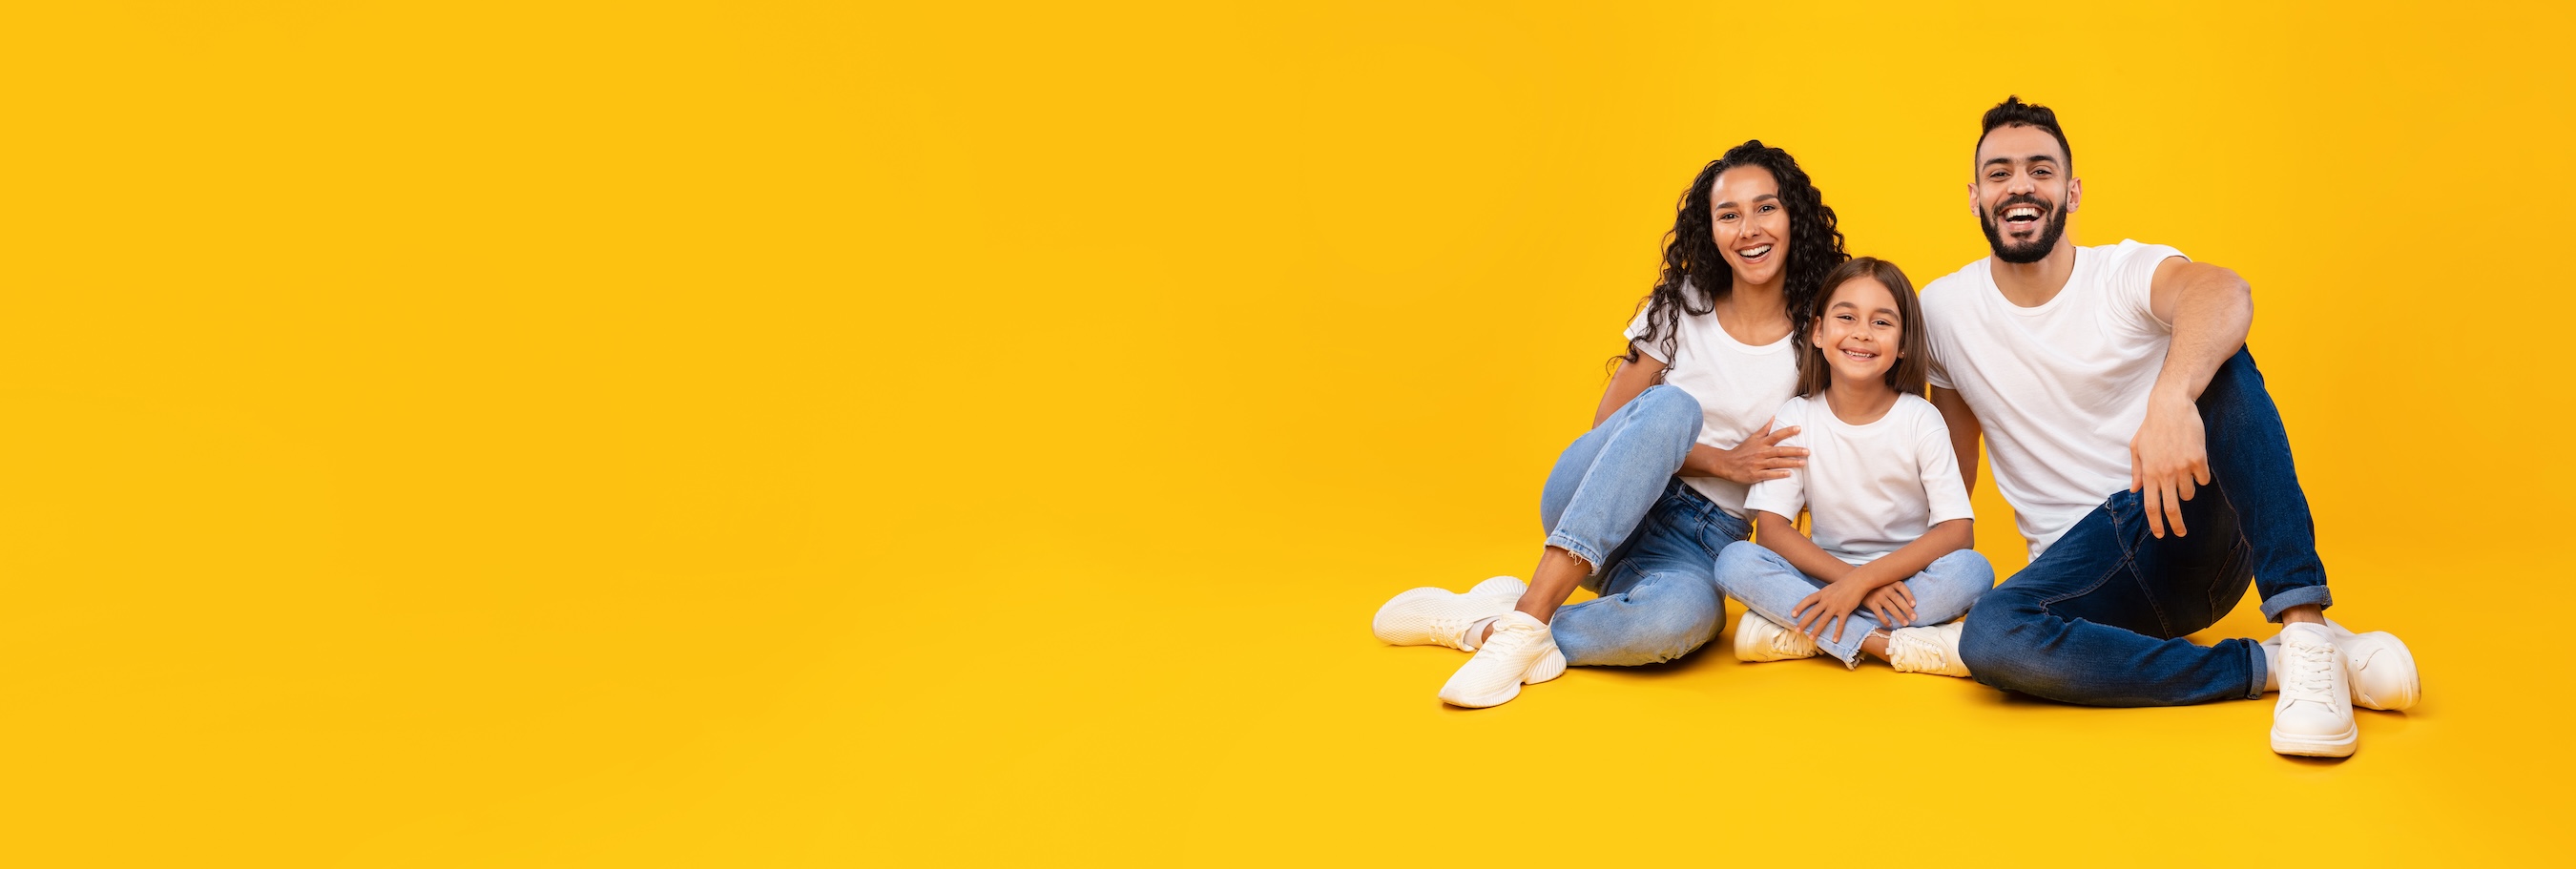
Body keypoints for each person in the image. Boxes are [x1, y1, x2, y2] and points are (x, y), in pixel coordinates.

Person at [1922, 96, 2420, 756]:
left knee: (2222, 361)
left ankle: (2304, 621)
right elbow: (1952, 469)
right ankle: (2276, 664)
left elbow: (2224, 292)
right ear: (1975, 196)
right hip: (2084, 581)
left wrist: (2170, 401)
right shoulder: (1945, 310)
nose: (2020, 185)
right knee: (1991, 635)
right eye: (2000, 172)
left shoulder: (2122, 273)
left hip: (2182, 527)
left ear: (2071, 192)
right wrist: (1890, 575)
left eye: (2041, 170)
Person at [1370, 140, 1848, 708]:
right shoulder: (1684, 304)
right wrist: (1724, 461)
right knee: (1674, 407)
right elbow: (1611, 421)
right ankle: (1530, 617)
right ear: (1711, 231)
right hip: (1597, 496)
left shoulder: (1821, 335)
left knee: (1678, 625)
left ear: (1793, 215)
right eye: (1729, 214)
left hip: (1702, 543)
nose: (1749, 228)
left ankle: (1487, 625)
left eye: (1766, 208)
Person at [1713, 258, 1993, 675]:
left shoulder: (1921, 419)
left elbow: (1957, 531)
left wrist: (1865, 583)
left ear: (1902, 345)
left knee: (1973, 571)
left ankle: (1801, 633)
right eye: (1847, 317)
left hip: (1904, 584)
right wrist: (1850, 583)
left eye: (1882, 322)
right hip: (1821, 578)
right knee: (1734, 560)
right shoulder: (1796, 417)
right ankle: (1887, 644)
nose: (1862, 332)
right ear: (1819, 332)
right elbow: (1771, 531)